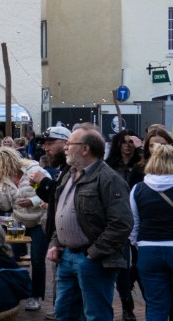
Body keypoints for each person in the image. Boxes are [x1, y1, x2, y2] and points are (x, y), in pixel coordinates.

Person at [46, 126, 132, 321]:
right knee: (64, 313)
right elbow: (62, 212)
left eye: (70, 144)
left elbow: (122, 224)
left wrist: (93, 253)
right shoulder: (70, 174)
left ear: (85, 149)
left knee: (96, 315)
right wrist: (55, 243)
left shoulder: (109, 179)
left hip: (93, 260)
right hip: (67, 257)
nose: (65, 147)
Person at [0, 146, 49, 312]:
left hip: (38, 220)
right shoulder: (5, 180)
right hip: (18, 221)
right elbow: (6, 206)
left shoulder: (34, 170)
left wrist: (33, 201)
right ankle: (14, 291)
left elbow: (50, 191)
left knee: (37, 260)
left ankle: (35, 296)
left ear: (8, 162)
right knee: (10, 257)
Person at [129, 142, 173, 321]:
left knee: (155, 305)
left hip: (148, 249)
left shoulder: (138, 189)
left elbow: (133, 224)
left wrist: (138, 244)